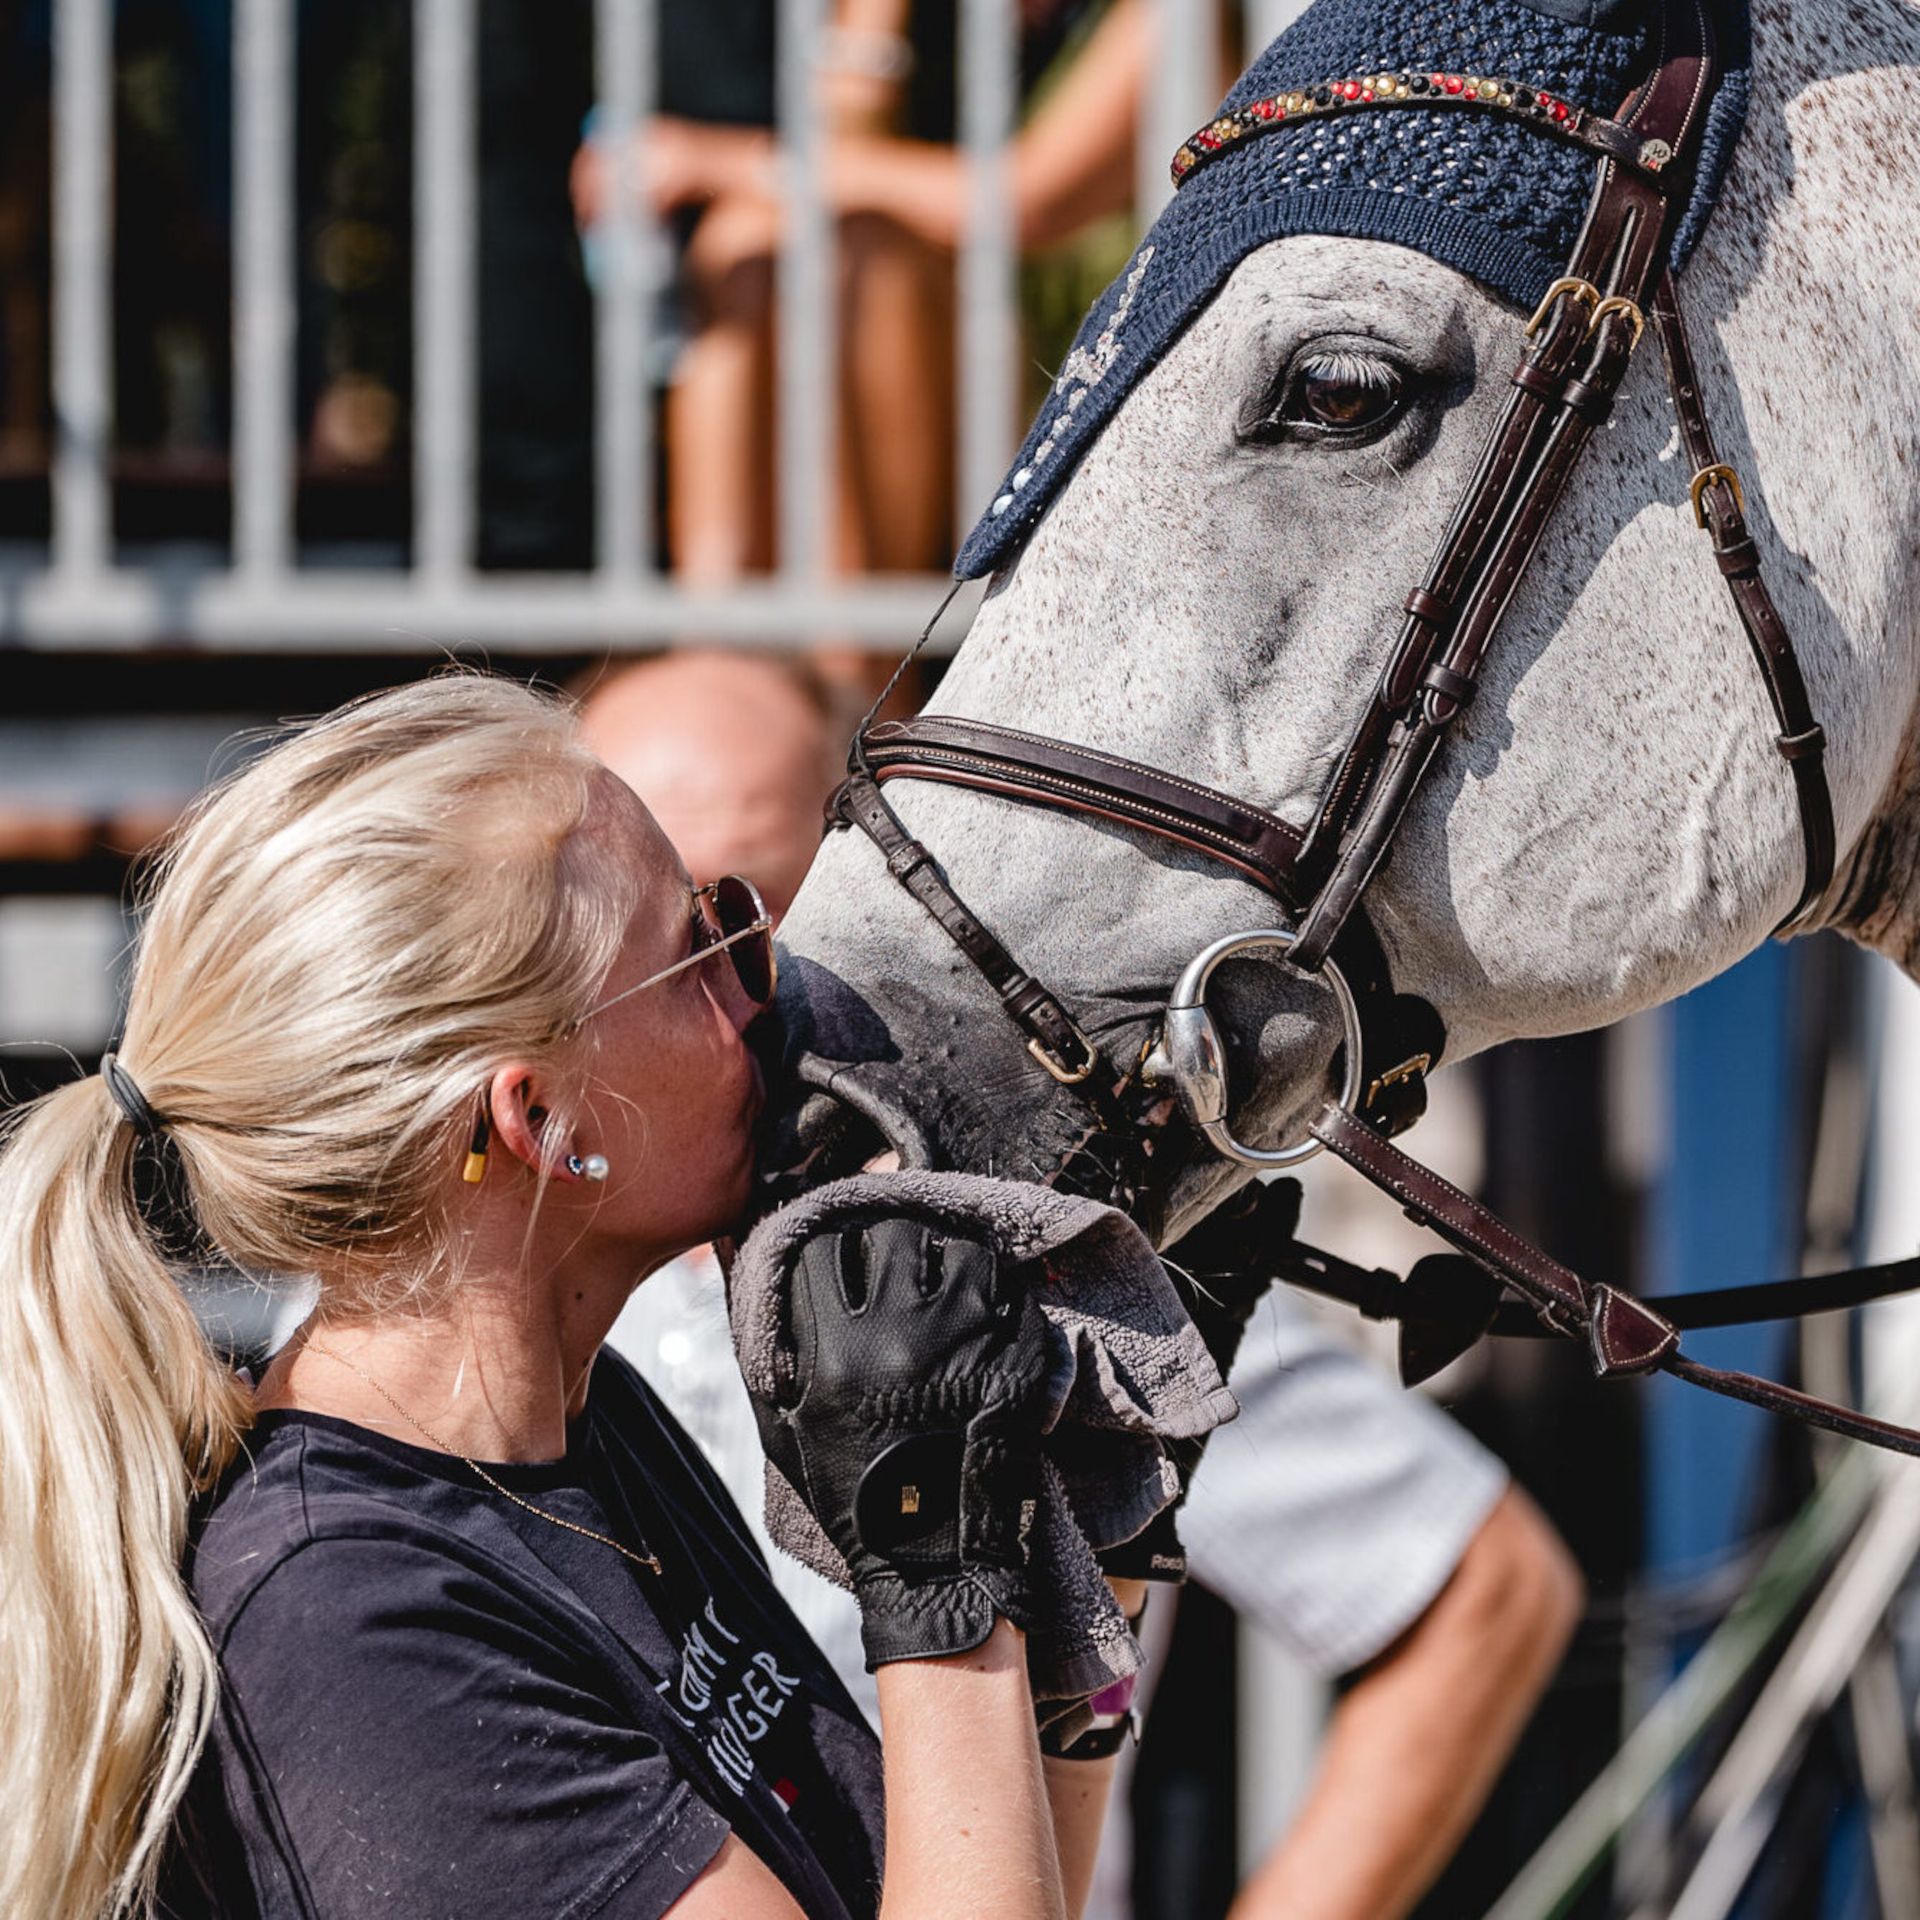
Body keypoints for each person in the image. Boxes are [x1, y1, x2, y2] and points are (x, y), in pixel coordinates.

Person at [0, 672, 1139, 1920]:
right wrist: (934, 1573)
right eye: (698, 951)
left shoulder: (590, 1433)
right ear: (536, 1119)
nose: (761, 985)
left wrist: (1084, 1539)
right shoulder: (359, 1630)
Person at [584, 647, 1585, 1919]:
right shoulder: (431, 1359)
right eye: (654, 939)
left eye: (762, 915)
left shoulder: (1023, 1276)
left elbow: (1483, 1586)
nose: (721, 994)